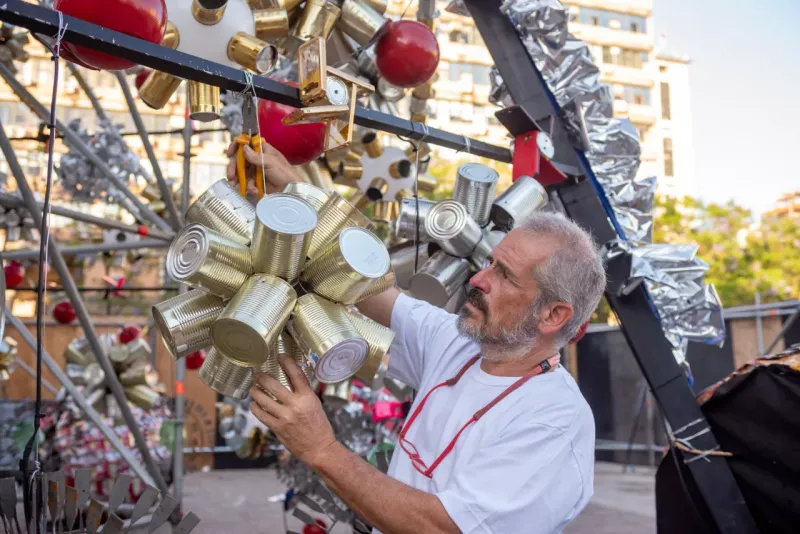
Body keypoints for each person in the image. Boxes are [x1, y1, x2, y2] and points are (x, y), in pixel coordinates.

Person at [229, 142, 607, 534]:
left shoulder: (554, 422)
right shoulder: (459, 344)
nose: (478, 279)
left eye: (504, 275)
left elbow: (443, 528)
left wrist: (322, 449)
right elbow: (370, 285)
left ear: (553, 315)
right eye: (490, 263)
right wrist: (295, 192)